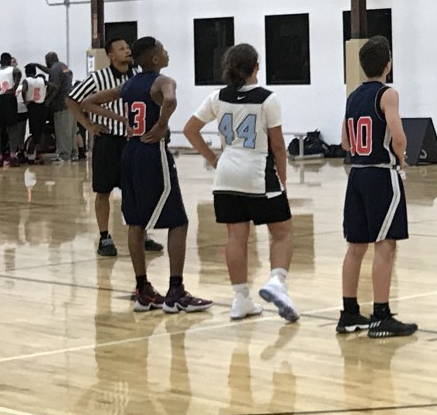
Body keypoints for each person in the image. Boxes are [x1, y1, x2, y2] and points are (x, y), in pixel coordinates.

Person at [81, 37, 211, 314]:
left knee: (136, 223)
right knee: (179, 222)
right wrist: (162, 124)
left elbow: (88, 102)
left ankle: (142, 290)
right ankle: (176, 291)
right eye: (163, 49)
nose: (166, 52)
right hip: (153, 153)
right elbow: (171, 100)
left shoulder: (128, 85)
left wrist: (122, 120)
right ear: (154, 59)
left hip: (129, 152)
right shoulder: (163, 81)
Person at [182, 43, 298, 323]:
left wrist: (213, 159)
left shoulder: (216, 97)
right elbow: (278, 145)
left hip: (226, 176)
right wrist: (282, 177)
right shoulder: (267, 99)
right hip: (257, 171)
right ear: (256, 68)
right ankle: (277, 281)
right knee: (282, 232)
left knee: (236, 237)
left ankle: (240, 299)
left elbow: (189, 130)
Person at [337, 36, 417, 339]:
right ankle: (381, 314)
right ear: (388, 64)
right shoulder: (388, 94)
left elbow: (345, 141)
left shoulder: (353, 95)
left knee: (355, 246)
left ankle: (348, 312)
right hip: (380, 174)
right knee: (386, 244)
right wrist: (401, 158)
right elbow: (398, 135)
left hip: (355, 174)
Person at [68, 38, 162, 257]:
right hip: (108, 141)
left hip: (134, 142)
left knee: (138, 190)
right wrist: (88, 125)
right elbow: (73, 100)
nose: (127, 50)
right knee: (103, 191)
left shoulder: (138, 76)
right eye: (122, 48)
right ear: (110, 55)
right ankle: (104, 237)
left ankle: (142, 234)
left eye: (128, 47)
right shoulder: (98, 78)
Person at [45, 51, 76, 162]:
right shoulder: (63, 66)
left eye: (46, 61)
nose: (45, 63)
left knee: (62, 131)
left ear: (49, 60)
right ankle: (73, 153)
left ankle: (63, 155)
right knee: (71, 131)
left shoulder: (54, 69)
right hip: (71, 102)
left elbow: (55, 87)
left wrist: (48, 101)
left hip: (61, 103)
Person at [21, 63, 51, 163]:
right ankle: (39, 153)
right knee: (40, 130)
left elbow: (24, 90)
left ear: (26, 73)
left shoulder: (27, 81)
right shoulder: (42, 80)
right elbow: (54, 87)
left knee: (33, 131)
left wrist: (25, 101)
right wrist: (47, 98)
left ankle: (32, 154)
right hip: (42, 106)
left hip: (32, 106)